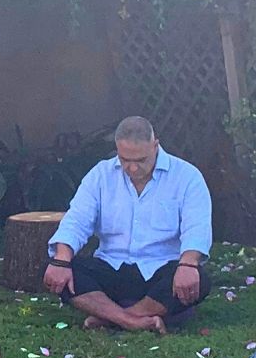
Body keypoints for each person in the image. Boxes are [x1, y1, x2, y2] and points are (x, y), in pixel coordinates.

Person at [43, 116, 212, 334]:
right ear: (116, 149)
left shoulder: (187, 176)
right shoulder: (100, 175)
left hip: (161, 270)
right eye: (124, 160)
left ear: (155, 146)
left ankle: (109, 317)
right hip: (110, 267)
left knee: (200, 278)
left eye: (140, 160)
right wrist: (61, 260)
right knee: (63, 267)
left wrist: (188, 265)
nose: (132, 168)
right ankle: (134, 320)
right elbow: (77, 220)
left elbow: (197, 227)